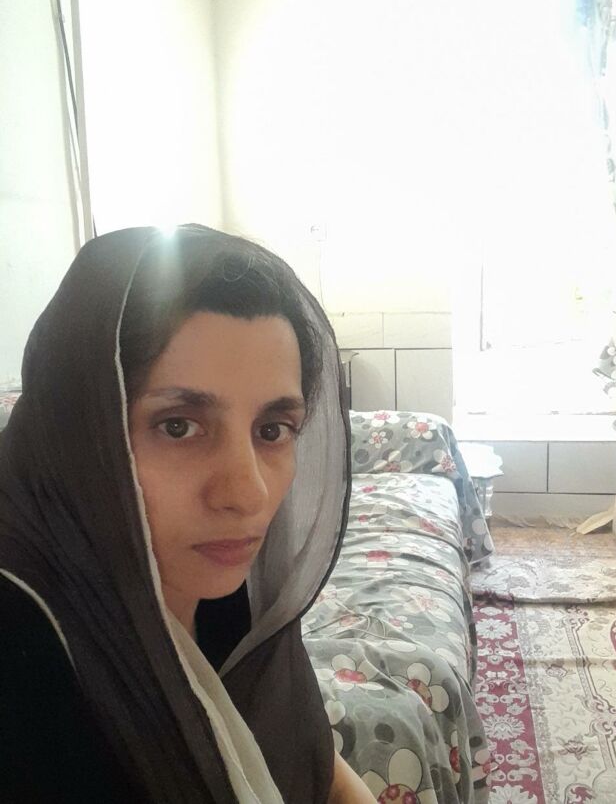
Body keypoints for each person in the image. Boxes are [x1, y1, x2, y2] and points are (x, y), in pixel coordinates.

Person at [0, 225, 376, 803]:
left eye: (272, 430)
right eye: (178, 426)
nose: (247, 494)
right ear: (77, 435)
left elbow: (310, 758)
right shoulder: (25, 668)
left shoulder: (226, 591)